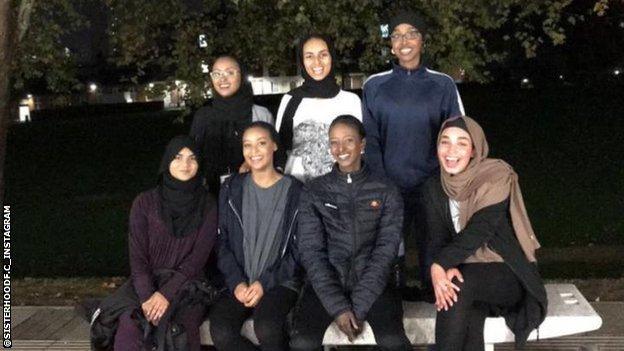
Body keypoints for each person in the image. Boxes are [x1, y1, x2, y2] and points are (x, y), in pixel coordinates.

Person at [362, 11, 466, 291]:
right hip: (389, 183)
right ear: (391, 44)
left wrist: (445, 180)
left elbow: (456, 135)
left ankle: (435, 296)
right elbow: (370, 139)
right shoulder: (374, 86)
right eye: (396, 35)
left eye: (412, 33)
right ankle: (392, 298)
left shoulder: (442, 84)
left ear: (422, 40)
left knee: (432, 246)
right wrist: (381, 182)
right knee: (388, 248)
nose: (404, 40)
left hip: (432, 184)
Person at [424, 116, 547, 350]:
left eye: (461, 143)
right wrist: (446, 265)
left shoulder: (495, 176)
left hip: (506, 270)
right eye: (445, 142)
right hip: (463, 271)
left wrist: (441, 264)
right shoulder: (433, 187)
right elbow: (437, 238)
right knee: (467, 311)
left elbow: (482, 228)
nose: (451, 151)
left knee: (458, 289)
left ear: (474, 150)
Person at [291, 115, 410, 351]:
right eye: (334, 142)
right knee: (302, 343)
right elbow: (311, 251)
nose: (340, 149)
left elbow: (386, 250)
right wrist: (339, 307)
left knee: (393, 341)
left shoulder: (386, 190)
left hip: (375, 284)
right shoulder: (315, 191)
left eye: (348, 141)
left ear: (362, 144)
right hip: (325, 284)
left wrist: (358, 305)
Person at [91, 136, 218, 351]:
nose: (185, 165)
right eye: (178, 157)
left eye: (192, 158)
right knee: (130, 325)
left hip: (188, 285)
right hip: (146, 283)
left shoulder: (207, 204)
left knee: (179, 330)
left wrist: (165, 294)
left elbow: (198, 258)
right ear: (167, 161)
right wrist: (148, 296)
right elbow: (138, 257)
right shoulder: (144, 202)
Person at [209, 121, 303, 351]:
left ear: (274, 146)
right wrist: (237, 283)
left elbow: (299, 251)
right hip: (239, 280)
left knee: (268, 327)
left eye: (261, 144)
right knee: (221, 331)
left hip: (279, 282)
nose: (254, 152)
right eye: (247, 145)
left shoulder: (296, 192)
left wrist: (265, 283)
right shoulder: (231, 189)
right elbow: (223, 243)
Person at [275, 34, 362, 182]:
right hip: (298, 192)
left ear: (332, 57)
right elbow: (278, 151)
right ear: (302, 61)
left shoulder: (351, 101)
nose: (317, 62)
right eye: (309, 56)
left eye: (323, 54)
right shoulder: (290, 100)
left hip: (341, 192)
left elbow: (361, 149)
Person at [190, 55, 273, 195]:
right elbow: (193, 156)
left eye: (230, 72)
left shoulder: (260, 114)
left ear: (242, 75)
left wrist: (252, 162)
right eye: (217, 74)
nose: (223, 79)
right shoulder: (203, 116)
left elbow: (273, 152)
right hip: (212, 195)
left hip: (254, 191)